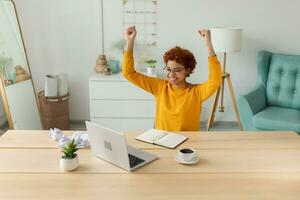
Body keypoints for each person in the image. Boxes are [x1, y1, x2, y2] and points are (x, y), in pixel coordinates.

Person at [122, 26, 222, 131]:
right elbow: (128, 73)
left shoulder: (196, 93)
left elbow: (215, 80)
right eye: (169, 69)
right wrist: (129, 42)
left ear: (187, 70)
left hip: (187, 143)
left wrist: (208, 45)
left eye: (177, 70)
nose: (172, 75)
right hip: (161, 142)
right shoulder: (160, 87)